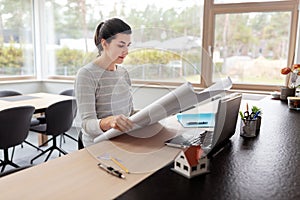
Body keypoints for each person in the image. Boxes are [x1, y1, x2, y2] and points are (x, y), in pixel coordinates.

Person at [75, 18, 134, 147]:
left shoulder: (123, 73)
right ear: (104, 43)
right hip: (98, 145)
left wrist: (154, 113)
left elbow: (130, 113)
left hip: (123, 140)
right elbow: (87, 124)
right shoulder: (86, 74)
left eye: (128, 45)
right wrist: (110, 122)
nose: (126, 51)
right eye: (120, 45)